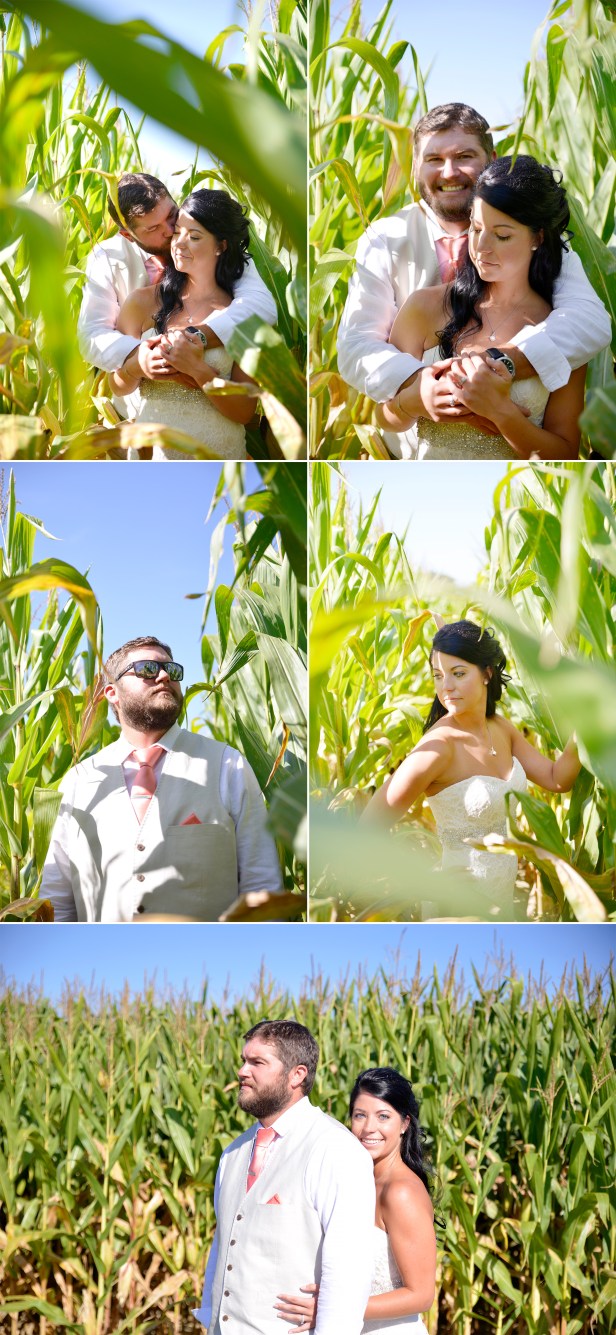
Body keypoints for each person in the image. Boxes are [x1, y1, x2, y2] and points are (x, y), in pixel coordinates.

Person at [336, 104, 611, 458]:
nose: (449, 171)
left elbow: (589, 322)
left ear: (491, 161)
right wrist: (429, 387)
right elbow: (356, 347)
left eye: (464, 156)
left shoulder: (545, 250)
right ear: (415, 166)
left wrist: (497, 371)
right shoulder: (384, 240)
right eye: (433, 159)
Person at [41, 636, 283, 921]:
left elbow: (261, 886)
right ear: (112, 692)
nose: (165, 676)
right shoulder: (79, 781)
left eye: (172, 670)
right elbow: (58, 900)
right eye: (147, 669)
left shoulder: (228, 766)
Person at [362, 620, 581, 915]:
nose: (446, 687)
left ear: (487, 673)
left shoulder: (501, 728)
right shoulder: (438, 746)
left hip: (501, 899)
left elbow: (557, 779)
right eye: (438, 676)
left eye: (458, 673)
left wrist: (586, 725)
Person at [378, 156, 586, 459]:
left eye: (502, 235)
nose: (482, 247)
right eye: (476, 229)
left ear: (538, 238)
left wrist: (502, 413)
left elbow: (565, 454)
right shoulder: (424, 307)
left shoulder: (563, 331)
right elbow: (382, 416)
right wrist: (414, 401)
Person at [193, 1019, 376, 1335]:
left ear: (297, 1075)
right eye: (244, 1060)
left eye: (257, 1062)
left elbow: (349, 1271)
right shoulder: (233, 1153)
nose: (242, 1071)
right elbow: (222, 1249)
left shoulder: (335, 1149)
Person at [77, 171, 276, 430]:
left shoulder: (209, 240)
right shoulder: (107, 258)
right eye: (153, 229)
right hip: (135, 419)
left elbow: (261, 307)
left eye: (171, 215)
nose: (171, 231)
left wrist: (193, 341)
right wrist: (151, 357)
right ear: (128, 235)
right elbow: (92, 335)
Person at [275, 1067, 437, 1334]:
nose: (369, 1128)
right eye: (360, 1115)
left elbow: (421, 1295)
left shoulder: (401, 1192)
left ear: (404, 1124)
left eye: (383, 1116)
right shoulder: (353, 1180)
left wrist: (332, 1308)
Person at [108, 188, 259, 459]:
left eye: (194, 236)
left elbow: (245, 412)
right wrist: (136, 367)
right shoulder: (141, 303)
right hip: (153, 458)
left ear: (221, 246)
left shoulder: (243, 313)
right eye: (177, 232)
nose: (178, 243)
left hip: (218, 456)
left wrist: (198, 370)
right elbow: (116, 384)